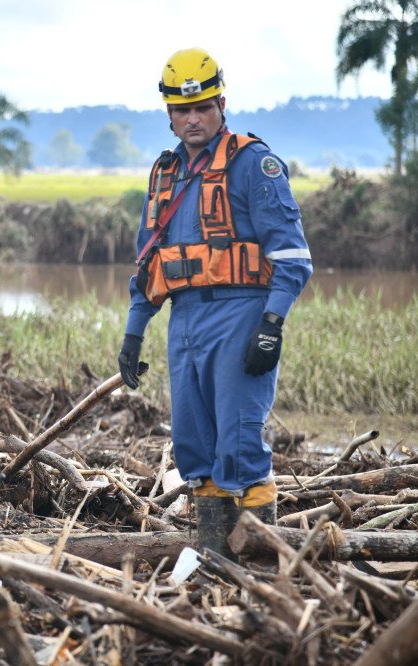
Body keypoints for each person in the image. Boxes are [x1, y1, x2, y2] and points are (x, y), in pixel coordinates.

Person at [118, 47, 313, 559]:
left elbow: (292, 256)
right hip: (184, 322)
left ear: (221, 104)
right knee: (193, 446)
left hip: (240, 316)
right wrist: (134, 330)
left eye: (202, 106)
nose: (193, 118)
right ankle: (214, 564)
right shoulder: (165, 175)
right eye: (182, 110)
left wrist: (272, 323)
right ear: (168, 114)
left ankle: (263, 573)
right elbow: (148, 264)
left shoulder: (254, 164)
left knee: (240, 442)